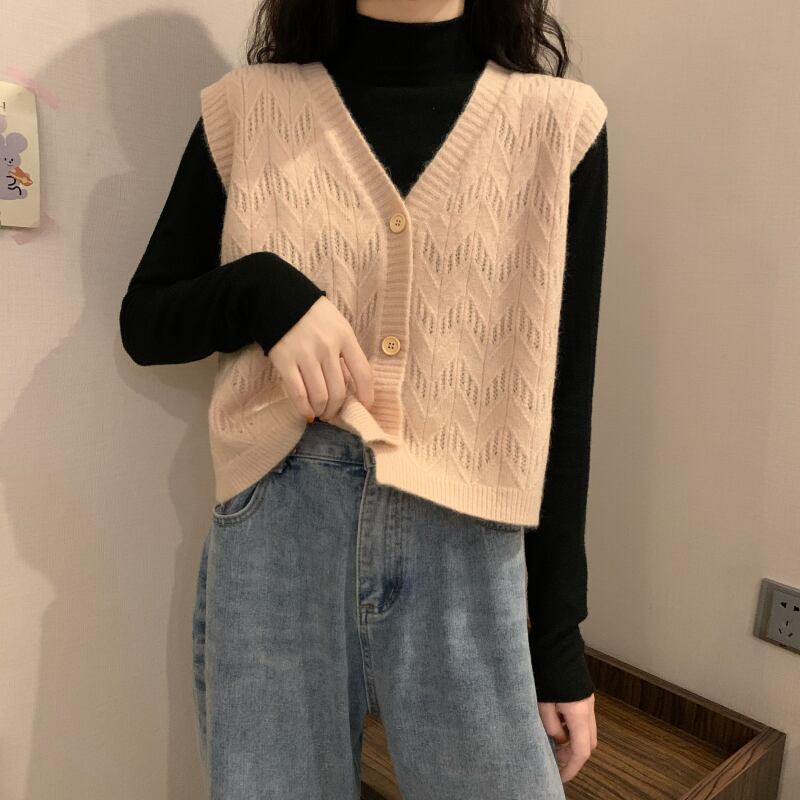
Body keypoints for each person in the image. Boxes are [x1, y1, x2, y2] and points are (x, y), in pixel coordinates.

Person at [119, 1, 608, 797]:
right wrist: (263, 293)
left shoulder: (560, 127)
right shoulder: (248, 110)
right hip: (279, 538)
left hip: (469, 543)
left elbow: (564, 398)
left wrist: (558, 641)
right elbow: (146, 322)